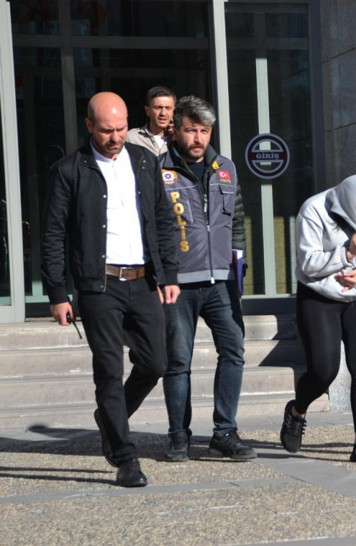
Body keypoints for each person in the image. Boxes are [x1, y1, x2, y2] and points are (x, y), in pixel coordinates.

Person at [41, 91, 180, 487]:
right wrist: (57, 294)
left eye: (121, 129)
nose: (115, 137)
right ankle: (125, 456)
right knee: (108, 371)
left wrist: (169, 274)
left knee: (155, 363)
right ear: (89, 126)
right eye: (106, 130)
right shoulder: (69, 171)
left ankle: (108, 417)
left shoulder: (144, 161)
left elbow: (163, 219)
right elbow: (52, 235)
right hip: (98, 285)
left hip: (143, 280)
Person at [158, 95, 255, 462]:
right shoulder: (157, 169)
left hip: (222, 282)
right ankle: (178, 434)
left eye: (204, 131)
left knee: (233, 351)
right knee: (178, 361)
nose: (197, 138)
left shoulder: (226, 168)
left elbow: (237, 224)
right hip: (178, 282)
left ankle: (224, 432)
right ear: (175, 130)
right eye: (190, 130)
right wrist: (161, 276)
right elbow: (152, 228)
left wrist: (239, 273)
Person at [280, 175, 356, 463]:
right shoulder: (313, 209)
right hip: (319, 295)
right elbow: (308, 263)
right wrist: (347, 253)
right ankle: (297, 410)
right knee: (323, 370)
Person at [126, 86, 176, 156]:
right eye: (158, 108)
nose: (163, 113)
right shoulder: (131, 138)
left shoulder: (180, 138)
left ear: (174, 111)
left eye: (168, 108)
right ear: (147, 110)